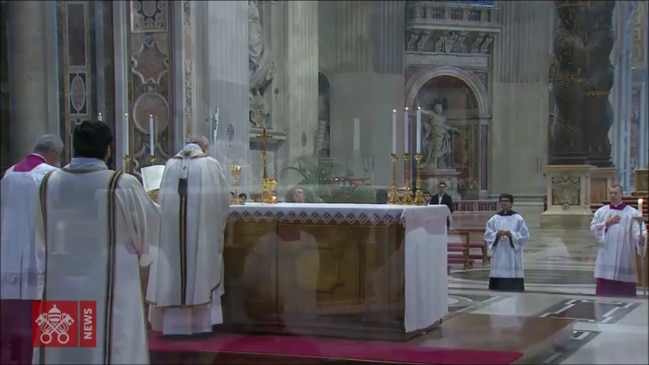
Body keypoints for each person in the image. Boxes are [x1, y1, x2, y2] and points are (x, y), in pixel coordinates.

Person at [31, 121, 160, 364]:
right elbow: (148, 231)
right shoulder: (120, 184)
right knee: (111, 344)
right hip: (113, 281)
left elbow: (40, 232)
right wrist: (144, 254)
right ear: (108, 150)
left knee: (65, 346)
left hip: (62, 280)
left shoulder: (49, 182)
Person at [147, 135, 230, 336]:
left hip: (171, 234)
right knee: (200, 267)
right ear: (205, 147)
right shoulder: (210, 165)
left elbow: (161, 201)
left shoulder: (170, 165)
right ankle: (201, 325)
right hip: (202, 232)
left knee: (173, 269)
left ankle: (174, 326)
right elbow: (222, 200)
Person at [0, 135, 63, 365]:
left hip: (9, 250)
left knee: (12, 312)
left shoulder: (10, 173)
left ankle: (13, 354)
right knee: (38, 309)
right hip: (39, 246)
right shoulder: (51, 175)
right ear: (55, 152)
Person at [590, 184, 647, 297]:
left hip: (624, 253)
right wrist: (606, 223)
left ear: (621, 194)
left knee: (625, 292)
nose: (612, 195)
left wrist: (641, 237)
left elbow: (639, 230)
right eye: (611, 193)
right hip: (607, 253)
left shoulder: (632, 213)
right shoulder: (601, 212)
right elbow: (593, 228)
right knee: (605, 292)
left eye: (615, 193)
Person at [483, 193, 530, 292]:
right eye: (502, 201)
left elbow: (525, 235)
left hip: (512, 249)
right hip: (499, 249)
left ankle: (513, 285)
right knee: (498, 265)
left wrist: (512, 235)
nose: (503, 203)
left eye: (506, 201)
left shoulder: (518, 218)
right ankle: (497, 285)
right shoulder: (494, 218)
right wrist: (496, 235)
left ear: (511, 203)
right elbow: (487, 235)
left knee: (513, 266)